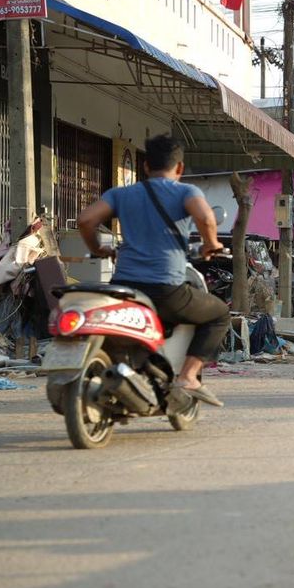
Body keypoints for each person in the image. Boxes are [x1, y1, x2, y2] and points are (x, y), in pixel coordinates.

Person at [76, 134, 230, 408]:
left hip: (123, 287)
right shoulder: (186, 191)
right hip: (166, 289)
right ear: (179, 168)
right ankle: (188, 377)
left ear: (145, 166)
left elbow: (86, 220)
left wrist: (99, 249)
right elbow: (206, 217)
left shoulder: (121, 194)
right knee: (219, 314)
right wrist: (212, 244)